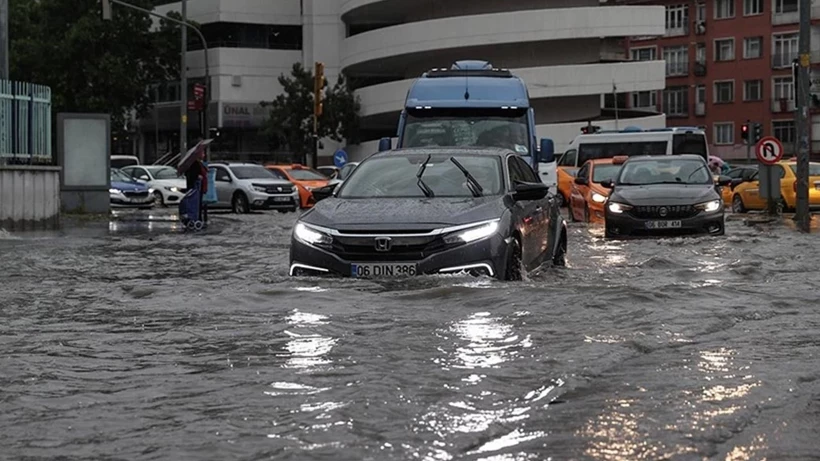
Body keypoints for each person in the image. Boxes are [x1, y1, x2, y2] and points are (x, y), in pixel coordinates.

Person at [184, 148, 209, 222]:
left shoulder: (200, 163)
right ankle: (196, 218)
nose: (204, 155)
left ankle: (199, 218)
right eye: (203, 153)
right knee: (196, 204)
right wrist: (197, 176)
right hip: (196, 188)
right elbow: (190, 174)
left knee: (200, 204)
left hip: (201, 187)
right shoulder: (194, 164)